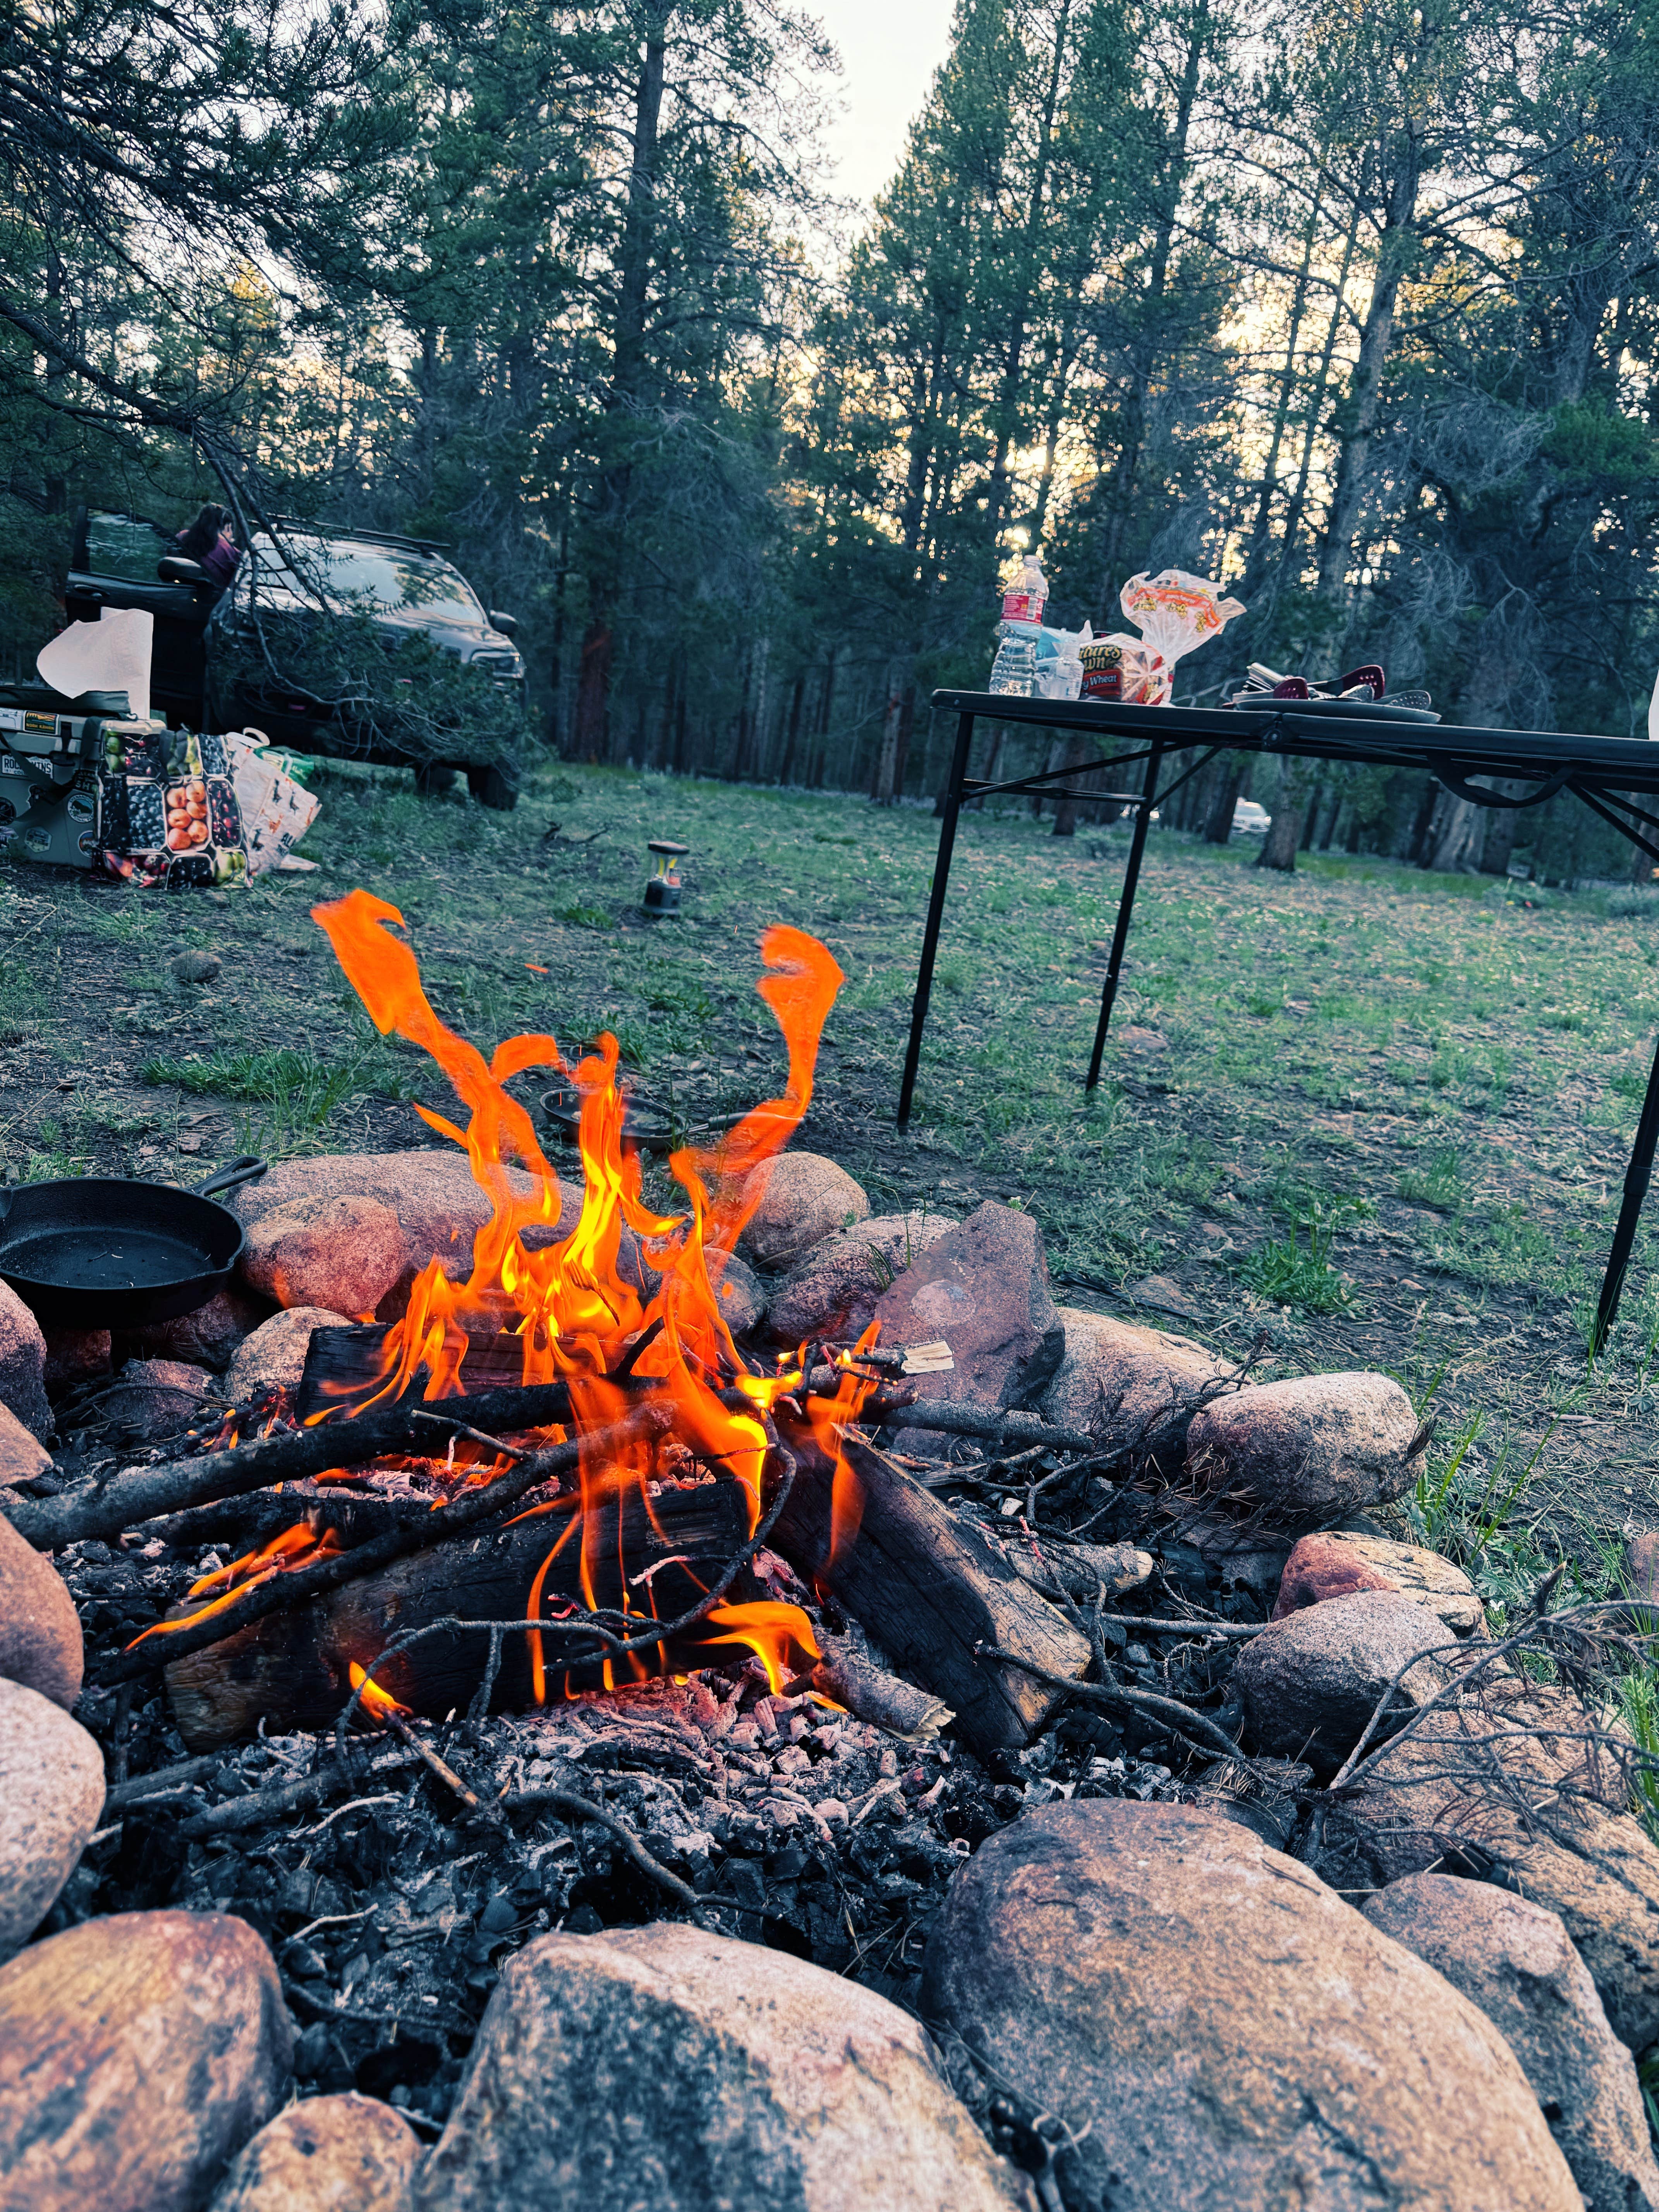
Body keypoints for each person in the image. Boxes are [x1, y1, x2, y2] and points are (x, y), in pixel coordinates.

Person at [173, 502, 240, 588]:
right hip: (213, 598)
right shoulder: (232, 553)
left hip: (177, 589)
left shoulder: (182, 536)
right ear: (228, 527)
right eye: (231, 529)